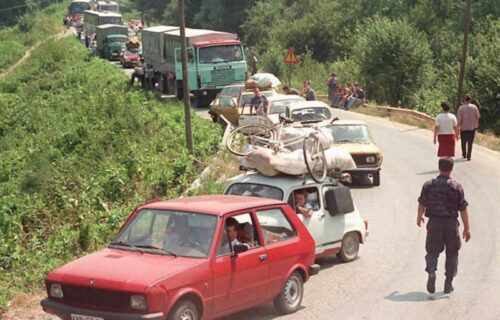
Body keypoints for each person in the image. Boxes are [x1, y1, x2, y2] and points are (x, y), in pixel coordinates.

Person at [417, 157, 471, 294]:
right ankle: (448, 283)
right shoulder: (457, 187)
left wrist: (419, 216)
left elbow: (422, 202)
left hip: (434, 222)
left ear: (439, 167)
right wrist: (467, 228)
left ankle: (431, 272)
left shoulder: (428, 185)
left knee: (432, 250)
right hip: (451, 224)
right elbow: (463, 208)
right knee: (452, 253)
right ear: (451, 169)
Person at [457, 94, 481, 161]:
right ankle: (469, 156)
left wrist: (458, 127)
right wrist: (477, 125)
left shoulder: (461, 108)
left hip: (463, 128)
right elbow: (478, 117)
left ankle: (464, 154)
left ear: (464, 100)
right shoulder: (474, 107)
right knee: (470, 143)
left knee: (463, 142)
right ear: (470, 100)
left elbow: (459, 120)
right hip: (472, 128)